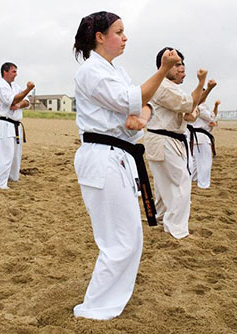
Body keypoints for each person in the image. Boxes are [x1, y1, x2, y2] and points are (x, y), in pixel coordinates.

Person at [73, 11, 181, 320]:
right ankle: (94, 309)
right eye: (119, 31)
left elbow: (140, 108)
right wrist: (162, 71)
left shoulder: (115, 71)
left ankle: (108, 302)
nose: (124, 37)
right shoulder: (91, 71)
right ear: (99, 37)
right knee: (118, 240)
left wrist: (140, 114)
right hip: (101, 156)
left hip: (119, 156)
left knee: (130, 236)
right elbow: (133, 101)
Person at [145, 47, 208, 239]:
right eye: (176, 63)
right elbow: (189, 105)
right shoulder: (162, 86)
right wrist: (202, 83)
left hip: (168, 140)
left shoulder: (171, 88)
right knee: (181, 182)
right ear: (164, 65)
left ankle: (162, 218)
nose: (181, 68)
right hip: (164, 139)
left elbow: (190, 112)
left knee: (165, 184)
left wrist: (193, 110)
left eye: (182, 63)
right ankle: (176, 229)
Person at [0, 62, 35, 189]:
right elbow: (12, 100)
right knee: (6, 154)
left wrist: (19, 105)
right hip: (3, 123)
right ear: (5, 72)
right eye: (13, 71)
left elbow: (26, 100)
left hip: (15, 124)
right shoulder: (0, 86)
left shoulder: (15, 86)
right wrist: (27, 90)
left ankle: (12, 178)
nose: (16, 74)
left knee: (16, 155)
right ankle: (0, 183)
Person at [190, 81, 219, 188]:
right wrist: (211, 121)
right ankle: (203, 184)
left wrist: (216, 106)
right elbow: (211, 117)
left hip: (196, 138)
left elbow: (212, 117)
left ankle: (195, 180)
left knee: (195, 162)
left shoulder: (200, 107)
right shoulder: (199, 107)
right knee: (204, 162)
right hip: (199, 137)